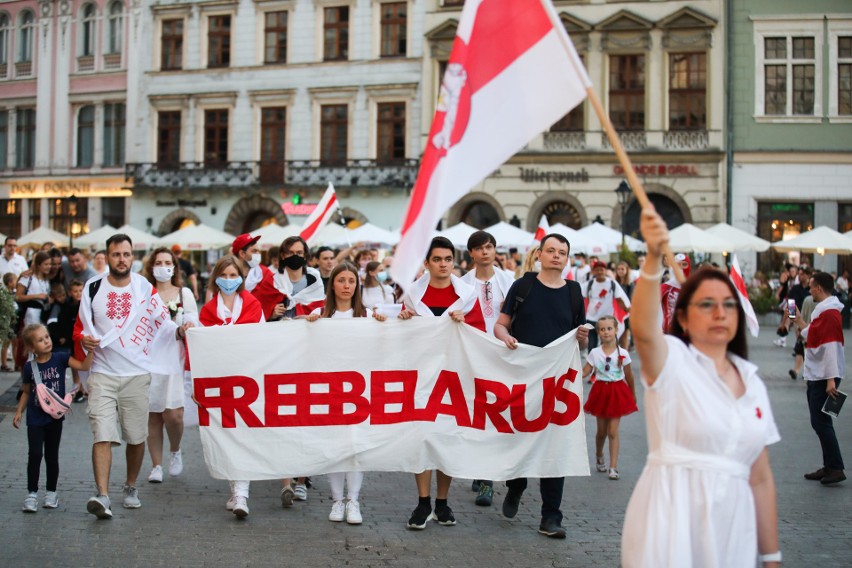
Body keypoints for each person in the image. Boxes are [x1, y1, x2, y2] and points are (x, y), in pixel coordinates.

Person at [621, 206, 780, 567]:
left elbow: (760, 477)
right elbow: (644, 330)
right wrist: (652, 259)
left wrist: (772, 557)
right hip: (670, 521)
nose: (720, 313)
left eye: (728, 304)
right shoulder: (673, 360)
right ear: (682, 317)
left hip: (733, 529)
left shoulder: (751, 380)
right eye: (706, 304)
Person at [75, 234, 191, 520]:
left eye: (126, 254)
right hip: (102, 373)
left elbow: (162, 323)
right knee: (102, 433)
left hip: (137, 374)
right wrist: (83, 339)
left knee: (136, 437)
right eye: (116, 255)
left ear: (132, 257)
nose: (122, 259)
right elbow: (79, 327)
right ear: (107, 256)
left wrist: (178, 331)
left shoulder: (143, 288)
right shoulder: (92, 288)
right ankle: (102, 495)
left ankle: (130, 487)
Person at [493, 233, 588, 539]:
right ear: (540, 255)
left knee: (556, 443)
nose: (557, 256)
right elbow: (501, 323)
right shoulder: (524, 286)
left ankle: (551, 516)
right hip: (522, 376)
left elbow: (578, 334)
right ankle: (516, 484)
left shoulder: (574, 292)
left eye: (562, 252)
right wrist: (505, 337)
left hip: (558, 382)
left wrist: (583, 340)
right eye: (551, 250)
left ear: (567, 258)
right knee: (520, 437)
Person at [399, 236, 486, 530]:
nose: (443, 265)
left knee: (447, 437)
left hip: (454, 377)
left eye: (448, 259)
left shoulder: (468, 295)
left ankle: (442, 502)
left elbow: (480, 336)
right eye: (437, 260)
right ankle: (423, 502)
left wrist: (467, 322)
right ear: (427, 264)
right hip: (422, 376)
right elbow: (402, 333)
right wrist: (405, 319)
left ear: (454, 261)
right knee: (421, 436)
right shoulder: (412, 294)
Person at [304, 262, 386, 524]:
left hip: (359, 392)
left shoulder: (367, 316)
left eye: (351, 281)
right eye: (341, 280)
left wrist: (386, 325)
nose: (347, 285)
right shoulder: (320, 314)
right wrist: (307, 325)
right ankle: (337, 500)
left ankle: (354, 500)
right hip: (329, 391)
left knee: (354, 448)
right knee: (334, 447)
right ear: (333, 284)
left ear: (357, 285)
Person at [199, 256, 264, 518]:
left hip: (247, 378)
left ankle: (242, 494)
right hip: (220, 380)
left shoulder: (252, 305)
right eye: (223, 275)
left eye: (232, 275)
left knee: (243, 432)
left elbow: (261, 341)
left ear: (241, 277)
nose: (228, 280)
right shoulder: (208, 311)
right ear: (216, 278)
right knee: (226, 433)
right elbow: (202, 349)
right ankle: (235, 489)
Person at [460, 230, 516, 506]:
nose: (485, 251)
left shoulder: (508, 281)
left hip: (502, 355)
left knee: (498, 413)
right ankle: (482, 472)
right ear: (471, 253)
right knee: (477, 414)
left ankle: (487, 477)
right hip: (473, 355)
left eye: (490, 246)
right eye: (480, 248)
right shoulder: (462, 284)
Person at [13, 323, 94, 512]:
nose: (46, 341)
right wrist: (19, 412)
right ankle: (31, 493)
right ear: (32, 348)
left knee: (51, 455)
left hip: (54, 418)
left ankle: (51, 492)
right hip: (34, 418)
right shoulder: (29, 368)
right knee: (34, 454)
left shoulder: (61, 358)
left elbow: (84, 366)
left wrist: (90, 350)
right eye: (40, 340)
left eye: (47, 337)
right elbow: (26, 392)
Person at [143, 248, 199, 484]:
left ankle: (175, 450)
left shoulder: (183, 293)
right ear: (151, 266)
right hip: (147, 360)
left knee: (174, 415)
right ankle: (156, 465)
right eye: (159, 262)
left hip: (175, 360)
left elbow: (193, 321)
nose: (163, 266)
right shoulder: (144, 292)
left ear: (175, 267)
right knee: (153, 416)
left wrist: (185, 327)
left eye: (168, 262)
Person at [790, 271, 846, 485]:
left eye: (812, 287)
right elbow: (809, 333)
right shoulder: (825, 312)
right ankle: (830, 465)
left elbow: (831, 347)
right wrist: (795, 317)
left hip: (824, 376)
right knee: (821, 422)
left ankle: (836, 467)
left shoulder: (829, 314)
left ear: (819, 289)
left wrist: (831, 379)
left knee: (821, 422)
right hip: (820, 374)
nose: (809, 290)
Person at [582, 316, 636, 481]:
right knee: (601, 432)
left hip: (616, 391)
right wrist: (573, 375)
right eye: (602, 329)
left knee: (613, 431)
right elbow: (586, 371)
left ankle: (613, 467)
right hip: (600, 391)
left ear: (616, 330)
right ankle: (599, 455)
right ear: (598, 332)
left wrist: (633, 394)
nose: (606, 332)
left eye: (609, 329)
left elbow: (629, 376)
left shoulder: (623, 354)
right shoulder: (595, 353)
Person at [230, 233, 285, 320]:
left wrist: (272, 313)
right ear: (242, 254)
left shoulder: (265, 273)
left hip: (259, 327)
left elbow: (281, 297)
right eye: (254, 251)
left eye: (258, 251)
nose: (258, 254)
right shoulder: (227, 276)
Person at [581, 260, 630, 350]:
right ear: (594, 271)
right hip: (591, 319)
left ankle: (607, 363)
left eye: (602, 270)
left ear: (605, 270)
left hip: (607, 320)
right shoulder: (589, 284)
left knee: (607, 345)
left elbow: (619, 299)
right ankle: (593, 363)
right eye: (597, 270)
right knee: (591, 346)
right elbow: (581, 298)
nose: (599, 272)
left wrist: (627, 309)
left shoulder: (612, 283)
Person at [659, 253, 690, 332]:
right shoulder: (665, 287)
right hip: (669, 333)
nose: (681, 268)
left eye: (684, 264)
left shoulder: (694, 287)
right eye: (677, 265)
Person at [614, 261, 634, 350]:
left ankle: (624, 360)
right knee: (614, 338)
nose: (620, 271)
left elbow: (631, 299)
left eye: (622, 269)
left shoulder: (630, 284)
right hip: (615, 313)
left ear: (627, 270)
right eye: (618, 269)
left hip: (625, 314)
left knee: (624, 338)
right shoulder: (614, 283)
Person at [0, 272, 18, 372]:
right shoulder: (6, 295)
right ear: (10, 282)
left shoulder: (14, 293)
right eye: (15, 281)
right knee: (6, 343)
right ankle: (4, 364)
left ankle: (16, 363)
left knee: (14, 342)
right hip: (8, 321)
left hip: (13, 320)